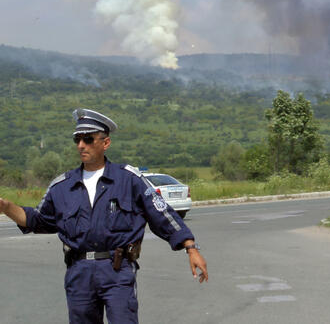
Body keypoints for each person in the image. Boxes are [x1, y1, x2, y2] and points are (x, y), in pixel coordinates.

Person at [0, 108, 208, 324]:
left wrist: (191, 248)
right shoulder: (62, 186)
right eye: (77, 140)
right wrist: (6, 207)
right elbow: (37, 219)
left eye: (88, 139)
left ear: (105, 143)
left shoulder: (128, 180)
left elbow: (161, 213)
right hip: (79, 272)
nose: (81, 145)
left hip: (117, 270)